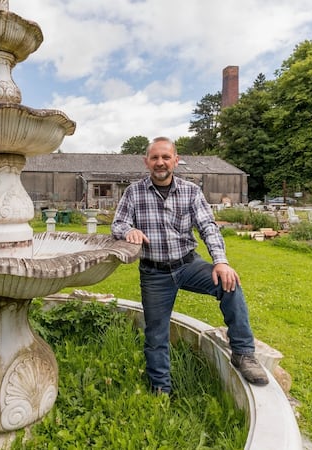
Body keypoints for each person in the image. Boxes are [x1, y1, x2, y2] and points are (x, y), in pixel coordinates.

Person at [111, 136, 269, 393]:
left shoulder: (191, 191)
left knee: (229, 284)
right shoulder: (134, 192)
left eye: (165, 157)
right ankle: (161, 390)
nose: (160, 162)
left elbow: (208, 227)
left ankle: (243, 353)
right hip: (154, 273)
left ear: (176, 160)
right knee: (156, 334)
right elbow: (118, 223)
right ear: (146, 162)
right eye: (154, 157)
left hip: (188, 265)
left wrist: (221, 262)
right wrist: (129, 230)